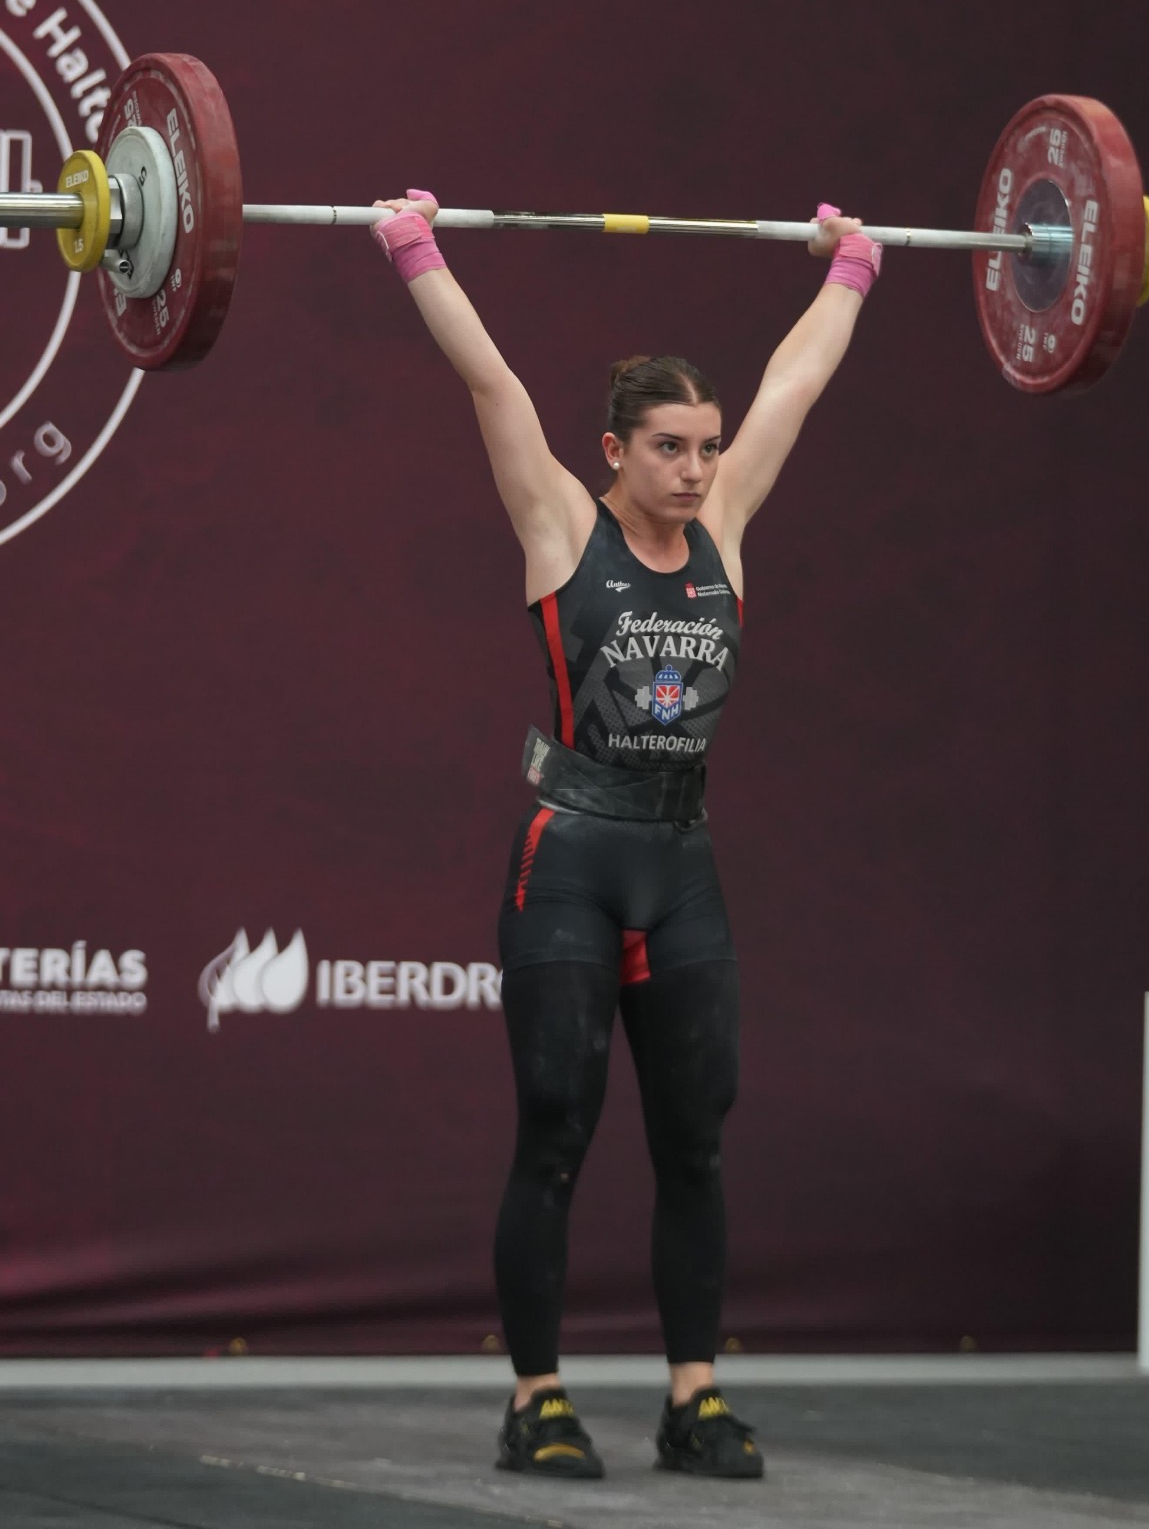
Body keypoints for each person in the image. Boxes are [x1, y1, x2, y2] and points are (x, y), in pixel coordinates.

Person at [371, 188, 881, 1481]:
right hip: (573, 859)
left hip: (681, 862)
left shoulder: (725, 532)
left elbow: (797, 385)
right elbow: (490, 383)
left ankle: (693, 1397)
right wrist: (413, 246)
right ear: (615, 450)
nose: (699, 467)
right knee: (555, 1122)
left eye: (706, 446)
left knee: (696, 1134)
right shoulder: (561, 526)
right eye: (670, 447)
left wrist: (855, 268)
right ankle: (536, 1397)